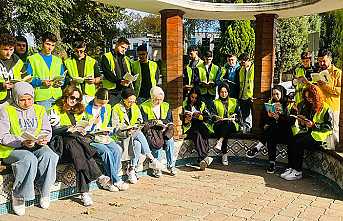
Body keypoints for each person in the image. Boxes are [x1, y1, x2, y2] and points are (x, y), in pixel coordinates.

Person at [0, 82, 59, 216]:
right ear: (15, 98)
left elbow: (46, 129)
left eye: (29, 99)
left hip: (35, 145)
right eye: (22, 100)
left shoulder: (39, 109)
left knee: (50, 156)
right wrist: (22, 142)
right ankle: (19, 195)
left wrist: (44, 138)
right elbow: (2, 136)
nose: (27, 103)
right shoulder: (6, 110)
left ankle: (45, 191)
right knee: (28, 159)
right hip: (11, 149)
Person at [48, 86, 110, 206]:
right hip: (60, 143)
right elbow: (53, 131)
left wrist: (83, 129)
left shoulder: (77, 110)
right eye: (72, 98)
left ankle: (84, 193)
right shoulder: (54, 109)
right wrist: (67, 128)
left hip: (74, 144)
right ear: (66, 96)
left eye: (77, 99)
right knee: (76, 145)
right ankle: (97, 175)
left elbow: (83, 127)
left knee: (78, 151)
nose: (74, 101)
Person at [281, 84, 333, 181]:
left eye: (310, 97)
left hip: (321, 138)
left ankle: (298, 171)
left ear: (316, 96)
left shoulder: (326, 108)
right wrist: (302, 120)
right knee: (292, 139)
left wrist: (314, 125)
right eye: (306, 97)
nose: (308, 99)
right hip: (311, 134)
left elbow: (329, 126)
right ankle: (291, 167)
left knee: (298, 143)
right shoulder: (308, 106)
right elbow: (307, 123)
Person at [112, 88, 162, 184]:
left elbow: (140, 120)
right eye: (130, 101)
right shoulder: (117, 108)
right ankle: (151, 158)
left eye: (134, 101)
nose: (132, 103)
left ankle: (132, 169)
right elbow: (115, 126)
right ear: (124, 99)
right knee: (138, 134)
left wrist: (138, 125)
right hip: (122, 135)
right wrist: (127, 128)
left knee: (137, 144)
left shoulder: (135, 106)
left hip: (133, 133)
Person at [84, 88, 129, 191]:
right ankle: (116, 180)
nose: (101, 106)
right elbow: (82, 127)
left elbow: (107, 124)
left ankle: (112, 179)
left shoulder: (107, 107)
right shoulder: (86, 108)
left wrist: (108, 130)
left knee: (117, 149)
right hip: (90, 137)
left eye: (104, 104)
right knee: (106, 152)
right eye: (100, 103)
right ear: (95, 98)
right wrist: (92, 124)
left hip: (103, 136)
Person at [246, 85, 292, 173]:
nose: (275, 96)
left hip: (284, 132)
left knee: (271, 131)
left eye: (277, 94)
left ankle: (259, 146)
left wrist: (279, 117)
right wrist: (269, 117)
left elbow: (289, 121)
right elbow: (262, 119)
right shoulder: (270, 103)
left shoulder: (287, 104)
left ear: (282, 94)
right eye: (274, 94)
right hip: (272, 131)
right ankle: (272, 163)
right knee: (271, 136)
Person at [140, 86, 176, 177]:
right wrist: (154, 122)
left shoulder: (166, 105)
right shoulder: (144, 106)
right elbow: (143, 122)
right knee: (157, 144)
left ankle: (171, 166)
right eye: (156, 99)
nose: (159, 101)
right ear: (151, 97)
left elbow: (169, 119)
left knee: (170, 141)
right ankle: (157, 168)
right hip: (152, 131)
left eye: (161, 99)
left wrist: (163, 123)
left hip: (163, 130)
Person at [27, 32, 65, 110]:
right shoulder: (32, 59)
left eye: (53, 45)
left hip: (58, 96)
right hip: (42, 97)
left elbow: (62, 77)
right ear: (42, 43)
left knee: (57, 121)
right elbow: (27, 79)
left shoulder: (58, 60)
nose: (50, 47)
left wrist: (61, 83)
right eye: (48, 44)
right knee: (44, 121)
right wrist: (41, 82)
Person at [182, 87, 213, 170]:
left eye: (196, 98)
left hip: (199, 125)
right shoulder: (184, 104)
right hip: (189, 127)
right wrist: (186, 120)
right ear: (189, 96)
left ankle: (202, 159)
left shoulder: (202, 104)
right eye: (192, 97)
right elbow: (181, 119)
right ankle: (204, 158)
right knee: (197, 133)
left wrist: (199, 116)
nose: (193, 99)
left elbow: (208, 118)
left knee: (201, 133)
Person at [316, 49, 341, 145]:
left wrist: (325, 86)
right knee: (322, 130)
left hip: (333, 107)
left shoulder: (338, 73)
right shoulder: (318, 72)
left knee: (333, 130)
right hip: (321, 108)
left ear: (330, 60)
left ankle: (334, 152)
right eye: (319, 61)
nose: (321, 63)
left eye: (324, 61)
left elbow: (339, 91)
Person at [213, 83, 242, 166]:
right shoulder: (215, 102)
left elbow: (240, 116)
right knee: (224, 127)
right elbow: (211, 115)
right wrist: (216, 117)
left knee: (227, 124)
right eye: (221, 92)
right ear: (218, 93)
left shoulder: (234, 101)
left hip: (232, 124)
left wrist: (235, 118)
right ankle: (224, 155)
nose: (224, 94)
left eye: (225, 92)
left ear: (228, 92)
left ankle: (221, 142)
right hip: (219, 124)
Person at [101, 37, 132, 105]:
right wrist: (120, 81)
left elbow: (129, 73)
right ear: (116, 44)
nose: (124, 50)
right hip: (112, 91)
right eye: (122, 47)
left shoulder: (126, 59)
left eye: (125, 49)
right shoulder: (106, 56)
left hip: (125, 91)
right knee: (112, 112)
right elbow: (107, 73)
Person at [0, 34, 26, 108]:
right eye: (5, 49)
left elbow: (27, 79)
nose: (9, 53)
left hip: (16, 101)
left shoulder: (18, 62)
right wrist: (2, 86)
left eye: (11, 49)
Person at [238, 53, 254, 133]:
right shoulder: (241, 70)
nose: (241, 64)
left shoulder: (254, 68)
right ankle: (246, 130)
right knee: (245, 115)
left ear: (248, 60)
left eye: (243, 62)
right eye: (241, 62)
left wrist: (253, 96)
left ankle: (251, 130)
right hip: (243, 96)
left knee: (252, 115)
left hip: (251, 97)